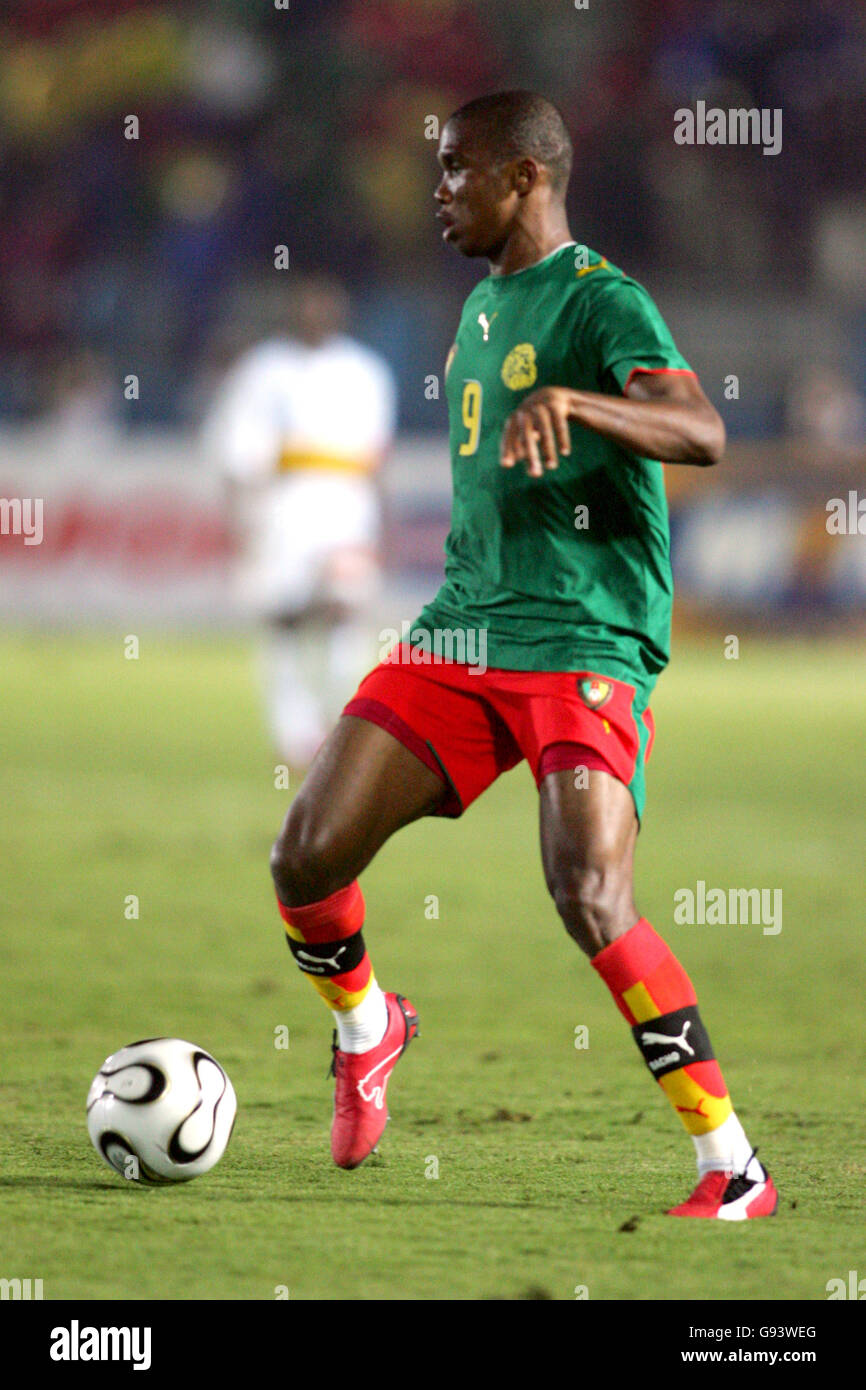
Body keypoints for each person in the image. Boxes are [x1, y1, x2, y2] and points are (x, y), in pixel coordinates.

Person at [270, 91, 777, 1220]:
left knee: (589, 894)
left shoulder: (602, 302)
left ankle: (732, 1166)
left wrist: (581, 406)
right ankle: (368, 1027)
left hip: (580, 634)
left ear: (522, 178)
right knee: (303, 856)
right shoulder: (480, 307)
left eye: (455, 168)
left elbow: (699, 431)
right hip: (462, 627)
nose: (437, 189)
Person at [203, 274, 396, 766]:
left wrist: (381, 522)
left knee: (344, 613)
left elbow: (378, 456)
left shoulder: (366, 371)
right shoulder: (265, 370)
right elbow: (236, 451)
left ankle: (343, 725)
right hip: (285, 507)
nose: (317, 313)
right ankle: (294, 734)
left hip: (348, 508)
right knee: (284, 619)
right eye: (308, 304)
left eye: (326, 304)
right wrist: (244, 518)